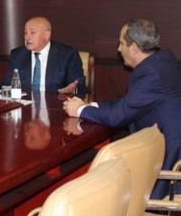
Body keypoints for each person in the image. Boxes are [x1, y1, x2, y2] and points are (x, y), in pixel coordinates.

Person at [64, 19, 181, 199]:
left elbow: (118, 116)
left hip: (168, 156)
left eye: (121, 43)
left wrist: (81, 111)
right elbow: (128, 103)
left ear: (134, 48)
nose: (118, 49)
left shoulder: (151, 73)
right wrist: (89, 106)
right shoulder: (162, 60)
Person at [0, 16, 88, 94]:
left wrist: (73, 89)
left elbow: (80, 85)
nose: (27, 37)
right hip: (25, 110)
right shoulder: (18, 55)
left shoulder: (67, 54)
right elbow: (8, 85)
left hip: (56, 110)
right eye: (25, 32)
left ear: (47, 35)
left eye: (32, 33)